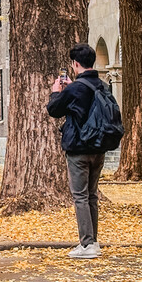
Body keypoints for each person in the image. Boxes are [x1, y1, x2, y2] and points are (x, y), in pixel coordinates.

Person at [47, 43, 113, 260]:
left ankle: (87, 244)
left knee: (80, 196)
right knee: (91, 195)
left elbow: (54, 110)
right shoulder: (102, 86)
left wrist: (56, 92)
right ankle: (93, 240)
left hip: (78, 148)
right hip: (99, 147)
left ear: (75, 64)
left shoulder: (75, 88)